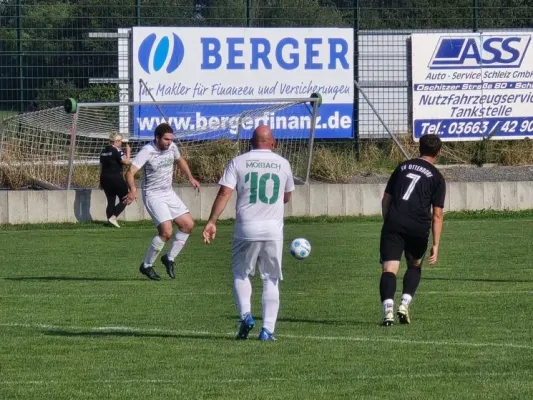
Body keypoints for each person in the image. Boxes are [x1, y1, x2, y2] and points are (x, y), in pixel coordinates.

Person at [202, 125, 295, 341]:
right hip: (273, 229)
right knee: (271, 278)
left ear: (250, 143)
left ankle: (246, 315)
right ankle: (268, 330)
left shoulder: (239, 161)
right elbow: (287, 197)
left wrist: (212, 222)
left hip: (246, 227)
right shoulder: (283, 163)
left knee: (241, 273)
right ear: (273, 143)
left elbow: (225, 192)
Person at [379, 134, 446, 326]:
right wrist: (436, 244)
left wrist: (389, 222)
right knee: (415, 265)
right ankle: (405, 304)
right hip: (418, 226)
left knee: (389, 269)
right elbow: (437, 215)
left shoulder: (401, 167)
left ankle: (388, 310)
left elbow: (386, 200)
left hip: (394, 223)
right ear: (438, 152)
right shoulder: (437, 177)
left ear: (419, 148)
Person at [123, 123, 200, 281]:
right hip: (153, 195)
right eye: (166, 139)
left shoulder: (172, 147)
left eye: (171, 139)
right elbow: (130, 172)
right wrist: (132, 190)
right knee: (166, 232)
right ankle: (146, 266)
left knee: (188, 225)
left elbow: (180, 160)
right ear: (157, 137)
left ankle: (169, 258)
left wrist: (190, 177)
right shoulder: (147, 151)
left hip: (168, 193)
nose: (169, 142)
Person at [99, 132, 131, 228]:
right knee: (127, 198)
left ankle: (109, 221)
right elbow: (126, 162)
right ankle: (113, 217)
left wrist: (100, 181)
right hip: (116, 177)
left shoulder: (103, 151)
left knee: (111, 200)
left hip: (104, 178)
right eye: (121, 141)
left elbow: (100, 166)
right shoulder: (117, 150)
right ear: (117, 141)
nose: (121, 143)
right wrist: (128, 152)